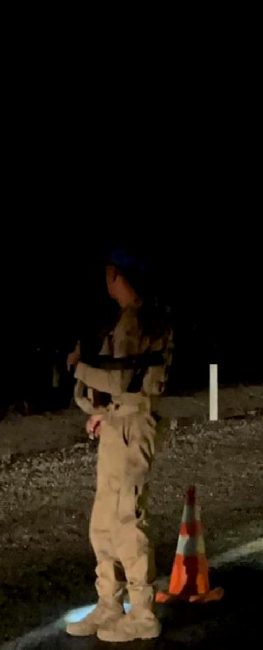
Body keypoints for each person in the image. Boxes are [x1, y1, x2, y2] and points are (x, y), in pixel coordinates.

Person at [65, 249, 173, 642]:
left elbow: (120, 382)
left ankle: (142, 613)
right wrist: (102, 413)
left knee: (127, 520)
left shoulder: (140, 319)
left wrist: (78, 368)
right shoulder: (135, 318)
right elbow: (121, 386)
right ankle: (109, 603)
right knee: (103, 522)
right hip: (118, 424)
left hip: (131, 429)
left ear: (116, 274)